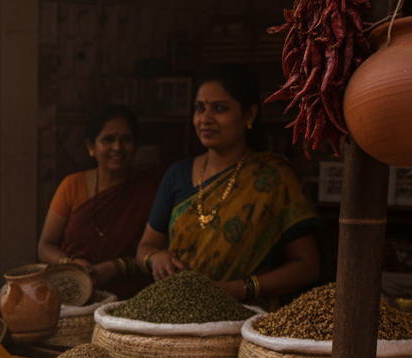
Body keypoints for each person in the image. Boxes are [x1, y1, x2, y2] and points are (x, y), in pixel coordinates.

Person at [136, 64, 323, 302]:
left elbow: (307, 266)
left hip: (247, 315)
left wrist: (237, 289)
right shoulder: (177, 174)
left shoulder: (274, 178)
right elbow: (145, 247)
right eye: (200, 108)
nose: (205, 119)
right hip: (176, 310)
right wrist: (155, 258)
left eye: (219, 109)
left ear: (249, 115)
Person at [38, 105, 160, 299]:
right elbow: (45, 246)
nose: (117, 147)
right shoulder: (72, 185)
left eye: (126, 139)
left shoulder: (150, 190)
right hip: (74, 293)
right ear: (91, 147)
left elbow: (158, 252)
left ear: (136, 146)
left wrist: (116, 267)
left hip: (129, 299)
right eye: (108, 139)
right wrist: (71, 265)